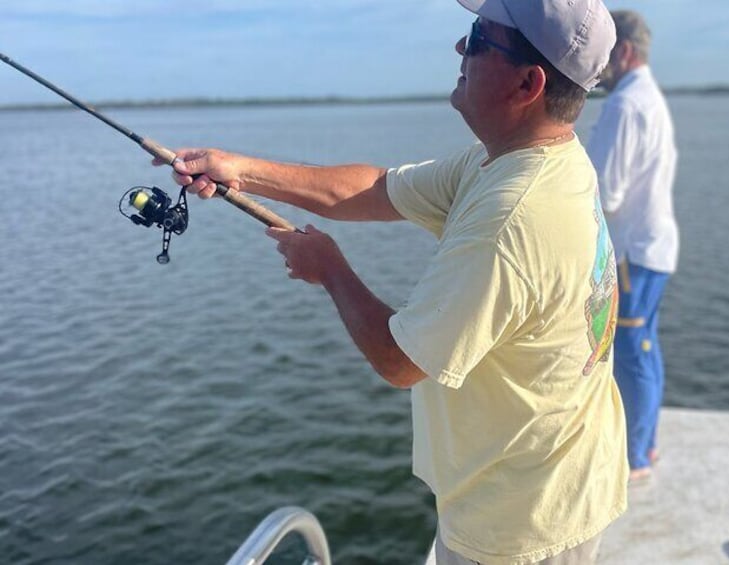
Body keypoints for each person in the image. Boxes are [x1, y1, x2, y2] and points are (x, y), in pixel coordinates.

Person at [161, 1, 627, 562]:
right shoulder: (524, 160)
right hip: (558, 475)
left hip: (523, 523)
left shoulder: (512, 220)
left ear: (529, 83)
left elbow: (402, 360)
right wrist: (238, 167)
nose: (460, 48)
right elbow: (374, 189)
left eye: (479, 37)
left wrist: (330, 269)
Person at [586, 10, 679, 481]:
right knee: (645, 347)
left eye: (602, 58)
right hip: (650, 249)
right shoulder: (648, 97)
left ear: (623, 52)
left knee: (632, 351)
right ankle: (647, 446)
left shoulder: (625, 105)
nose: (595, 69)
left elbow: (604, 191)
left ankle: (635, 458)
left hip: (631, 255)